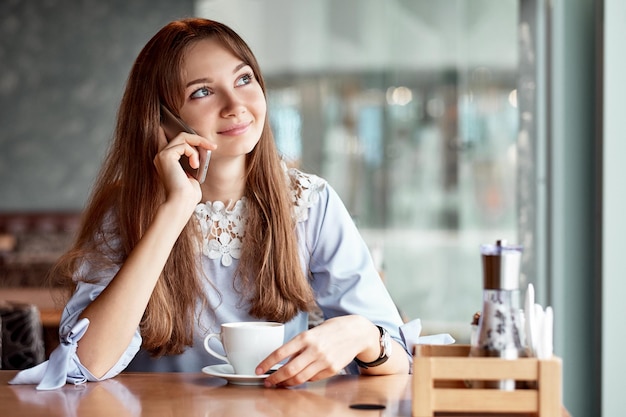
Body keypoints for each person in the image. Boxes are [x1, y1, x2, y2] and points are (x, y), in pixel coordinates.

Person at [10, 18, 418, 390]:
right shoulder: (125, 210)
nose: (235, 104)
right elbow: (85, 364)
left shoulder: (310, 202)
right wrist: (174, 211)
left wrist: (365, 335)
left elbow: (400, 362)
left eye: (244, 79)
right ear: (163, 119)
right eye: (202, 91)